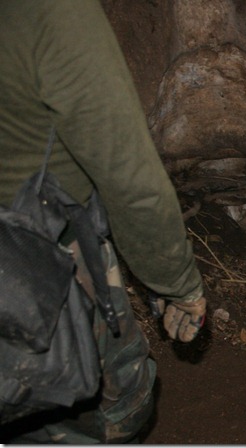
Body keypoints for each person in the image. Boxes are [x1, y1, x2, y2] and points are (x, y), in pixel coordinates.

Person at [0, 0, 206, 443]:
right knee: (117, 402)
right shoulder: (49, 13)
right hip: (40, 256)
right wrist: (176, 282)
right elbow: (128, 175)